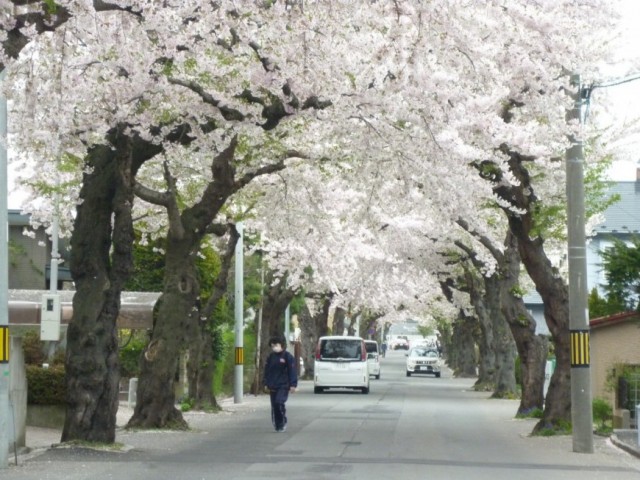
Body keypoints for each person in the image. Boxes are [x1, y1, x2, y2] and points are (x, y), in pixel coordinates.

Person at [263, 334, 298, 432]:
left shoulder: (288, 357)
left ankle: (282, 422)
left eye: (276, 345)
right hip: (272, 385)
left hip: (283, 385)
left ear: (281, 345)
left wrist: (293, 385)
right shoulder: (271, 357)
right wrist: (265, 383)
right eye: (272, 346)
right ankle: (277, 424)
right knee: (274, 406)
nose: (274, 347)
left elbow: (292, 371)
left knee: (279, 402)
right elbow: (267, 371)